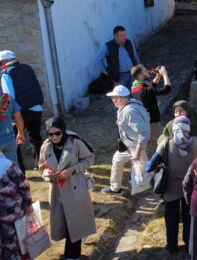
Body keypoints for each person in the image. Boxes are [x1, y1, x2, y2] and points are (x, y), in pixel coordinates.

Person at [39, 117, 96, 260]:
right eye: (50, 134)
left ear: (63, 131)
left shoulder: (75, 142)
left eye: (57, 133)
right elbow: (41, 166)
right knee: (64, 222)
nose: (54, 137)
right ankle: (76, 246)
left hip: (74, 187)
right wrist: (46, 174)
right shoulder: (45, 146)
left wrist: (72, 170)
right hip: (57, 190)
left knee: (75, 222)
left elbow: (89, 159)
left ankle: (72, 255)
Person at [146, 116, 197, 255]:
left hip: (170, 187)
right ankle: (189, 244)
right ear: (188, 128)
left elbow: (150, 165)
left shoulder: (166, 143)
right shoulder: (195, 143)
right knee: (188, 216)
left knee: (171, 217)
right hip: (190, 186)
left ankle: (172, 246)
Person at [102, 85, 150, 194]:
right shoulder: (131, 105)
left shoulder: (130, 111)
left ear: (119, 98)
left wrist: (138, 151)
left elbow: (144, 133)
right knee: (117, 160)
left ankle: (144, 193)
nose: (112, 100)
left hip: (136, 146)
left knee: (140, 173)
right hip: (128, 145)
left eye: (113, 97)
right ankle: (115, 188)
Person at [0, 51, 43, 168]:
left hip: (21, 111)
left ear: (4, 62)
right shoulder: (27, 68)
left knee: (14, 142)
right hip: (37, 107)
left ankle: (21, 170)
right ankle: (41, 166)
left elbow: (9, 97)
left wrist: (8, 115)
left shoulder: (5, 73)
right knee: (35, 138)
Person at [0, 149, 32, 260]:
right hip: (12, 213)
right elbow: (23, 185)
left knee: (16, 242)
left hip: (13, 214)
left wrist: (28, 203)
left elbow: (23, 184)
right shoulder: (8, 165)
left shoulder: (7, 166)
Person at [130, 64, 171, 144]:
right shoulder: (144, 90)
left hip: (149, 122)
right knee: (167, 144)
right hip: (154, 124)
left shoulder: (136, 87)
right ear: (141, 77)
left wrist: (158, 76)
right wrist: (164, 74)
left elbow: (151, 86)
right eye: (145, 70)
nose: (148, 71)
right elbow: (167, 89)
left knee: (164, 144)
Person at [0, 81, 24, 169]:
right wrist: (20, 133)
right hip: (9, 140)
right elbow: (18, 118)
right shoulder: (8, 98)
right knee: (13, 170)